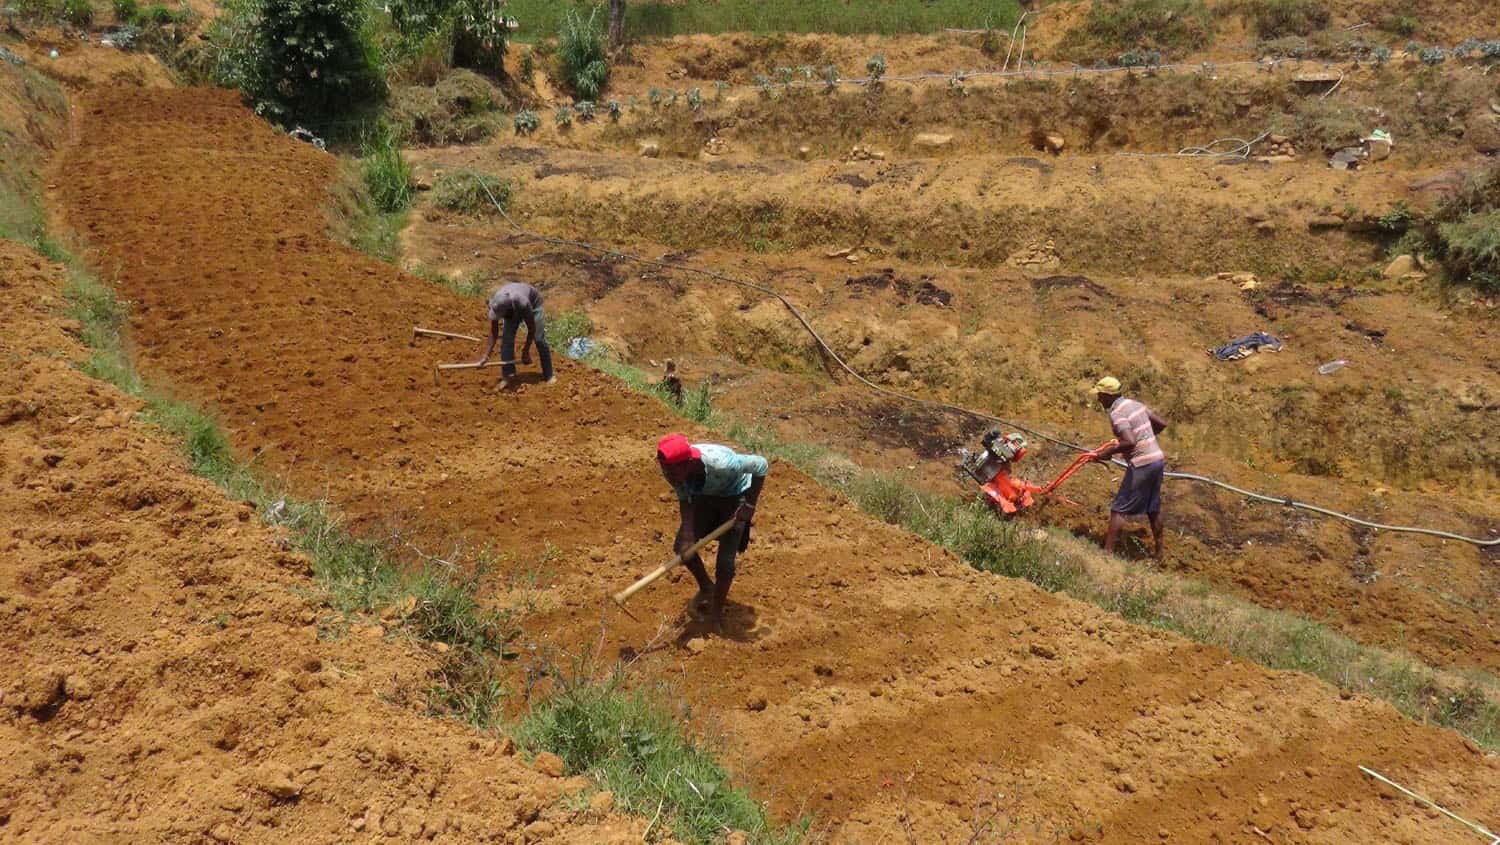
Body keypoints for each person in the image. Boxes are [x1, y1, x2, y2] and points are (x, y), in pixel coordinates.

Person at [655, 433, 768, 633]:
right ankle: (707, 587)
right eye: (665, 470)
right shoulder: (671, 468)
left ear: (687, 463)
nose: (667, 476)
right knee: (683, 549)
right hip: (704, 495)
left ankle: (716, 615)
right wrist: (688, 532)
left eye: (672, 472)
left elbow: (761, 465)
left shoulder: (723, 464)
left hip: (734, 496)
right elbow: (684, 496)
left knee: (725, 562)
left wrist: (749, 504)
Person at [1089, 376, 1168, 559]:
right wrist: (1146, 436)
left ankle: (1106, 554)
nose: (1098, 399)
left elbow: (1129, 442)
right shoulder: (1135, 404)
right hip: (1157, 459)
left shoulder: (1117, 413)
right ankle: (1160, 553)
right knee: (1153, 508)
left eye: (1100, 395)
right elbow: (1162, 424)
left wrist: (1107, 453)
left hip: (1142, 463)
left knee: (1118, 509)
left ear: (1108, 395)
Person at [476, 281, 554, 389]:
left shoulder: (523, 303)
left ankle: (549, 374)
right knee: (507, 340)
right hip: (513, 309)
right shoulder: (496, 305)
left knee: (539, 339)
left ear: (507, 311)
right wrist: (486, 356)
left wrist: (525, 351)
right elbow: (494, 332)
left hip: (533, 305)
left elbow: (531, 328)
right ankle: (508, 375)